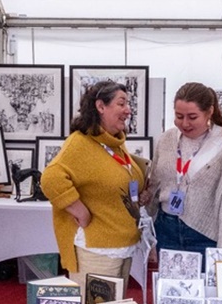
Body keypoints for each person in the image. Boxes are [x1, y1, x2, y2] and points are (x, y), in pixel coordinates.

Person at [41, 80, 146, 291]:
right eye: (122, 103)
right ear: (100, 106)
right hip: (97, 249)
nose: (128, 110)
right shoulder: (79, 143)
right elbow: (50, 179)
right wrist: (78, 209)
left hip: (121, 245)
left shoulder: (114, 144)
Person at [143, 82, 222, 256]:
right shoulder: (167, 139)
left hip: (204, 236)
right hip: (165, 231)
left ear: (209, 112)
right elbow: (154, 187)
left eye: (192, 117)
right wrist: (147, 235)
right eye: (179, 116)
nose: (185, 124)